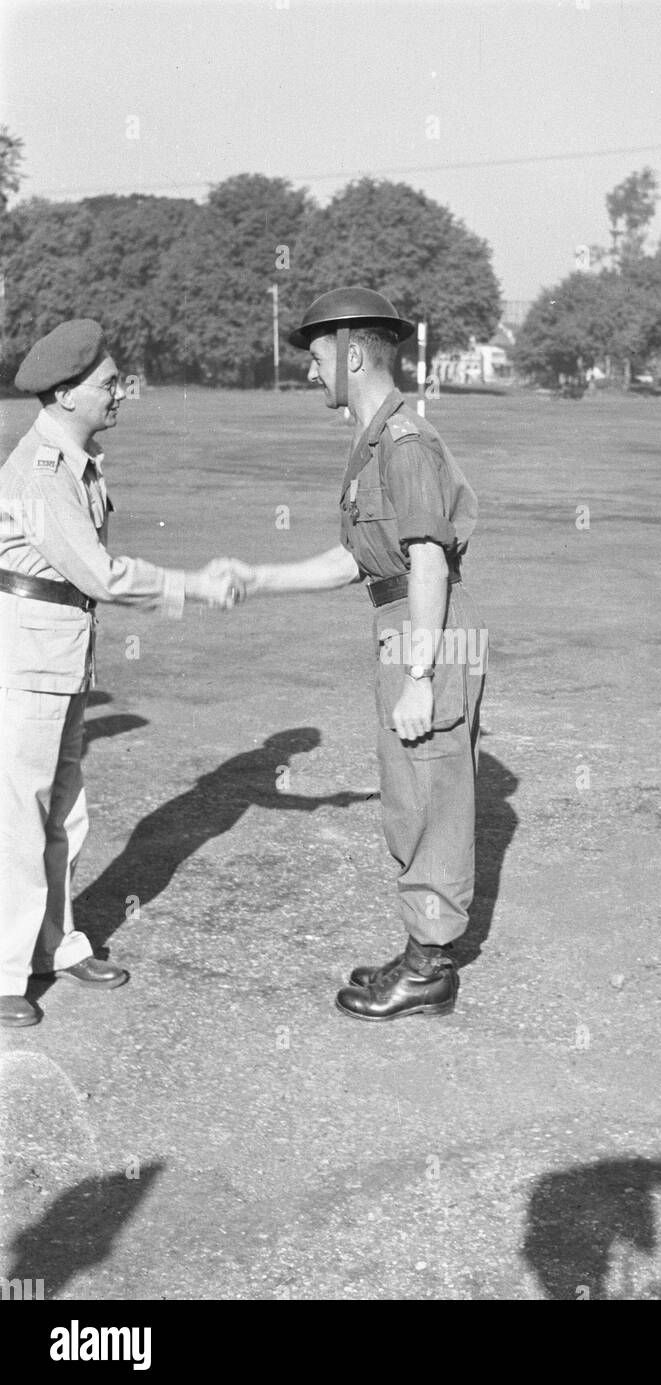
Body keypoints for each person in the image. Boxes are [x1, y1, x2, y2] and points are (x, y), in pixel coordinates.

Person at [213, 287, 486, 1022]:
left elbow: (427, 561)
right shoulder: (375, 440)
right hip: (402, 617)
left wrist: (422, 675)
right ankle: (420, 947)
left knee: (429, 788)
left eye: (317, 355)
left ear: (354, 355)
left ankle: (431, 967)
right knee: (409, 787)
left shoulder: (405, 443)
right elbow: (358, 558)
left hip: (427, 625)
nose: (308, 371)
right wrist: (259, 577)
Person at [0, 319, 241, 1028]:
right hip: (27, 661)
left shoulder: (77, 462)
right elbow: (100, 575)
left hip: (60, 657)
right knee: (18, 818)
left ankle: (55, 947)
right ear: (67, 393)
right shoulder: (40, 473)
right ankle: (4, 971)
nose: (121, 395)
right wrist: (194, 586)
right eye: (109, 385)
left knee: (62, 817)